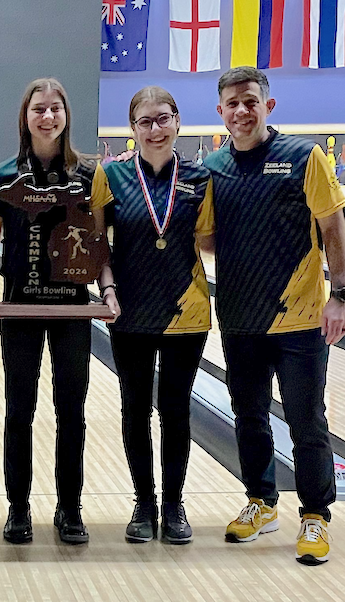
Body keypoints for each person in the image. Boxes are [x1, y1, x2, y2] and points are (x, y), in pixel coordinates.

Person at [205, 66, 345, 565]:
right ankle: (261, 502)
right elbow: (205, 238)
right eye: (233, 103)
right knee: (248, 416)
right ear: (219, 112)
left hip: (301, 318)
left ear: (268, 106)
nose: (242, 111)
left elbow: (333, 230)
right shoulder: (216, 168)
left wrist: (343, 295)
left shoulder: (302, 157)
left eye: (251, 101)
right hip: (241, 317)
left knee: (307, 420)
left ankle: (315, 515)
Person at [0, 78, 118, 545]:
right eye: (39, 109)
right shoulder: (3, 174)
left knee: (71, 412)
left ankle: (69, 509)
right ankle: (18, 509)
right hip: (20, 307)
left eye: (55, 108)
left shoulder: (88, 175)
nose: (47, 117)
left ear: (65, 115)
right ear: (26, 117)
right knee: (19, 411)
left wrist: (109, 289)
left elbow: (97, 243)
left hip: (72, 311)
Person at [101, 86, 214, 544]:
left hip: (186, 312)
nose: (155, 128)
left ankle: (174, 504)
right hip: (129, 310)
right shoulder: (111, 177)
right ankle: (143, 503)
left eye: (162, 118)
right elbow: (96, 244)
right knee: (134, 410)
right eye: (145, 121)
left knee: (175, 410)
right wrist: (105, 288)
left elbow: (209, 242)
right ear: (133, 129)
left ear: (177, 120)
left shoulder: (201, 178)